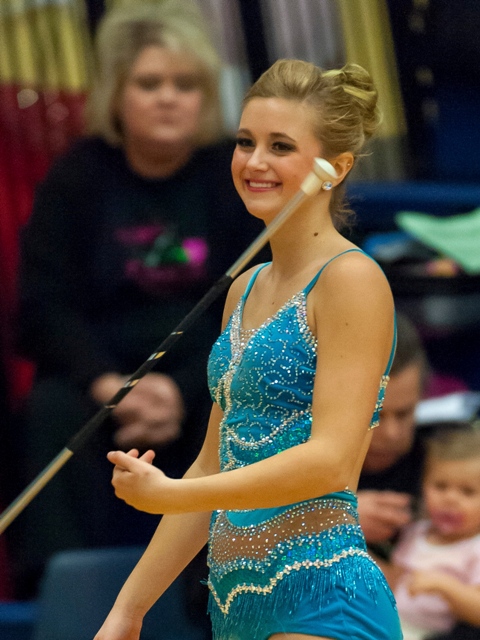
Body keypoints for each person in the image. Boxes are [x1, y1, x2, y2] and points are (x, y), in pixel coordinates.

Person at [94, 58, 402, 640]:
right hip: (236, 609)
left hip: (324, 600)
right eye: (245, 141)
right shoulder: (244, 289)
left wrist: (174, 495)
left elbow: (331, 460)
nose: (254, 162)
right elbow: (215, 460)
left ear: (333, 167)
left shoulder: (351, 280)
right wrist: (128, 610)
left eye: (280, 145)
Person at [13, 0, 264, 608]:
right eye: (149, 84)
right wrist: (110, 386)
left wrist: (181, 388)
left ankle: (225, 590)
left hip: (206, 373)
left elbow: (249, 302)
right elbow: (43, 306)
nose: (168, 99)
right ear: (115, 96)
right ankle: (60, 596)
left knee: (242, 406)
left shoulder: (230, 176)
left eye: (185, 85)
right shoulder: (77, 177)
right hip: (97, 378)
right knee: (49, 409)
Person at [377, 426, 480, 640]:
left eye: (467, 491)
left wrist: (445, 586)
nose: (450, 499)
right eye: (440, 486)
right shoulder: (416, 532)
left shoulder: (475, 549)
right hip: (390, 622)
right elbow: (396, 579)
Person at [357, 312, 429, 553]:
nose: (392, 434)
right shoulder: (289, 457)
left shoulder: (452, 457)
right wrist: (335, 521)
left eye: (404, 413)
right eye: (374, 416)